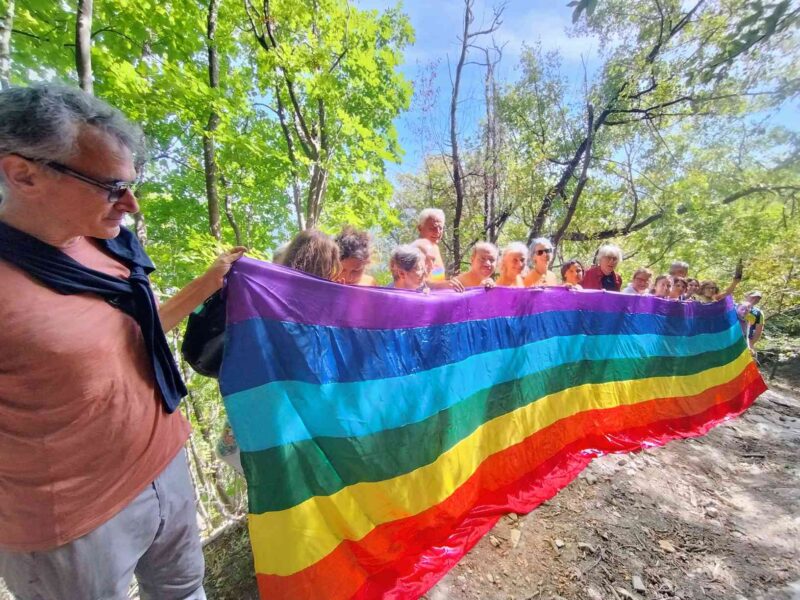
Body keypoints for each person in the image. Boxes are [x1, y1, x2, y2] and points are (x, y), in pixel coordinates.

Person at [0, 84, 245, 599]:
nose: (130, 204)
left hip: (165, 465)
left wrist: (210, 281)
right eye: (112, 187)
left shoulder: (106, 244)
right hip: (70, 523)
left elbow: (138, 332)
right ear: (24, 174)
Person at [414, 207, 464, 291]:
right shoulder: (414, 251)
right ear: (420, 228)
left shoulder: (435, 249)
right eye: (433, 228)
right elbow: (414, 283)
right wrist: (443, 285)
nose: (437, 232)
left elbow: (437, 280)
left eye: (440, 228)